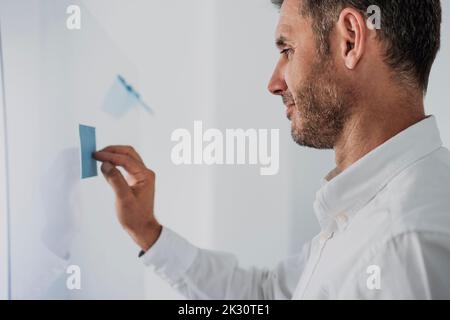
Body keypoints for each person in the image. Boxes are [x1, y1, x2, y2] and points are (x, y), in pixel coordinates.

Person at [94, 0, 450, 299]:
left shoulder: (404, 247)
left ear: (350, 40)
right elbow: (266, 296)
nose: (273, 83)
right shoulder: (367, 213)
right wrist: (148, 233)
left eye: (287, 50)